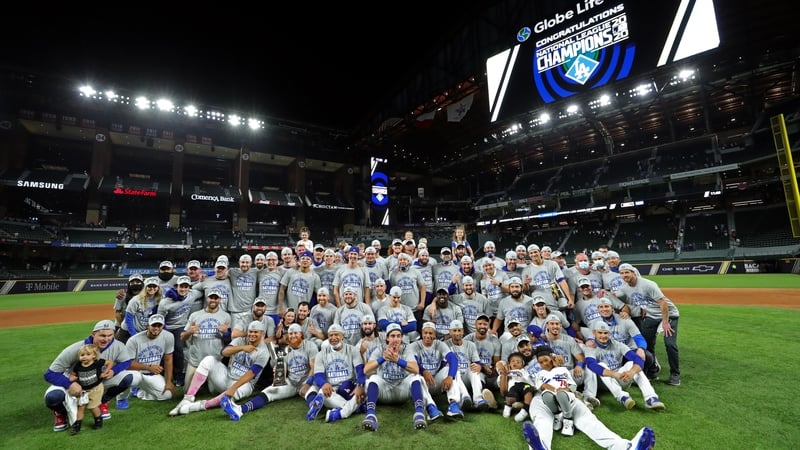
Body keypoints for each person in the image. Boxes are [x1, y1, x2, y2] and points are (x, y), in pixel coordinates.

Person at [45, 320, 133, 431]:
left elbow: (126, 361)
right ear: (93, 334)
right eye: (102, 335)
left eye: (110, 335)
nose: (106, 339)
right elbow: (49, 374)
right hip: (74, 382)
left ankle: (102, 402)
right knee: (53, 397)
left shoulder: (118, 346)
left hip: (97, 383)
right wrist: (69, 384)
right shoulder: (76, 349)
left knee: (128, 377)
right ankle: (61, 413)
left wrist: (113, 371)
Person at [219, 323, 318, 421]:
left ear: (301, 334)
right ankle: (240, 410)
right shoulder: (285, 349)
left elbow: (314, 367)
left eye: (295, 333)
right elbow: (281, 368)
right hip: (292, 382)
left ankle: (313, 408)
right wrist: (279, 373)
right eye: (290, 333)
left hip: (307, 380)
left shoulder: (310, 345)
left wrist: (307, 384)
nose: (292, 336)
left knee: (312, 391)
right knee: (269, 391)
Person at [169, 320, 270, 416]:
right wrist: (242, 347)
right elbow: (224, 352)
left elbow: (251, 374)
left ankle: (196, 406)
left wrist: (233, 388)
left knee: (235, 392)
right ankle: (188, 398)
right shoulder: (241, 340)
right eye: (250, 331)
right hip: (226, 376)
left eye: (255, 332)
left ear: (262, 334)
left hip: (244, 384)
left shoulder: (264, 352)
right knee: (209, 360)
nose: (252, 334)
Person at [614, 263, 681, 386]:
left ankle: (675, 374)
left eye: (627, 272)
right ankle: (652, 371)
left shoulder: (648, 284)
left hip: (669, 314)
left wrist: (665, 322)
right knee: (647, 344)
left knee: (670, 344)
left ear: (634, 273)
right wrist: (605, 292)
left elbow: (663, 303)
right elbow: (617, 297)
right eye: (622, 273)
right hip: (651, 316)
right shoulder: (625, 288)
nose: (624, 275)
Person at [584, 321, 665, 411]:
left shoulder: (618, 344)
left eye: (605, 333)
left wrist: (631, 372)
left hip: (621, 378)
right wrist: (614, 374)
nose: (603, 336)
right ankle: (622, 397)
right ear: (594, 333)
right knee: (600, 365)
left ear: (609, 333)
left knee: (631, 364)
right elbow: (592, 365)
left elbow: (638, 359)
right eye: (600, 333)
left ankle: (651, 398)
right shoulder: (591, 348)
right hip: (603, 383)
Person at [360, 323, 428, 431]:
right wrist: (382, 358)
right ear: (387, 338)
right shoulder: (380, 349)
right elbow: (366, 369)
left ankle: (419, 413)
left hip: (402, 390)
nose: (395, 339)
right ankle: (371, 415)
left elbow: (416, 369)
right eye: (392, 336)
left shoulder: (406, 349)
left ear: (402, 337)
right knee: (373, 379)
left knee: (416, 377)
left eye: (398, 336)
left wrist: (397, 360)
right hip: (385, 391)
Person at [303, 324, 366, 422]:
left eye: (336, 335)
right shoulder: (321, 354)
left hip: (348, 386)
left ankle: (341, 412)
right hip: (331, 388)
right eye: (330, 335)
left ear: (342, 336)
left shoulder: (352, 350)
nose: (333, 338)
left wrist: (360, 385)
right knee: (321, 392)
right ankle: (352, 409)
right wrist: (324, 383)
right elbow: (318, 376)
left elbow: (360, 370)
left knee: (363, 391)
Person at [409, 321, 465, 420]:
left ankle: (453, 405)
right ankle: (431, 408)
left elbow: (453, 359)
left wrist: (450, 377)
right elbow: (414, 364)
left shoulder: (439, 344)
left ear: (435, 335)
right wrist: (424, 371)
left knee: (453, 370)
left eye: (430, 333)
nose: (427, 335)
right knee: (415, 375)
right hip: (423, 383)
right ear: (422, 333)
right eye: (425, 333)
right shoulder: (414, 346)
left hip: (436, 381)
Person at [119, 314, 175, 404]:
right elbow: (127, 364)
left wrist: (168, 381)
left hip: (152, 374)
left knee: (168, 395)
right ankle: (123, 397)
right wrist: (148, 367)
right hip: (136, 372)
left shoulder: (168, 337)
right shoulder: (134, 340)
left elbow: (168, 360)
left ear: (163, 326)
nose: (156, 328)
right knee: (130, 377)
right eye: (154, 325)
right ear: (148, 326)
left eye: (159, 325)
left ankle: (140, 392)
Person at [181, 288, 232, 387]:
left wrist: (226, 333)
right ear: (206, 299)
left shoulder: (226, 316)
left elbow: (229, 342)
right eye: (211, 297)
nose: (213, 300)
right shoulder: (195, 315)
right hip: (196, 360)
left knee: (215, 390)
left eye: (216, 298)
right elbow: (182, 337)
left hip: (215, 360)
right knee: (187, 390)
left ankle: (208, 382)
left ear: (220, 300)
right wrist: (189, 332)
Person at [157, 275, 199, 387]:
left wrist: (208, 276)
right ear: (176, 287)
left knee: (179, 349)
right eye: (181, 286)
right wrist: (164, 332)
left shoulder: (192, 294)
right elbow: (159, 318)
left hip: (180, 327)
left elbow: (202, 287)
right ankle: (159, 374)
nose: (183, 289)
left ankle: (178, 375)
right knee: (162, 350)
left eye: (186, 287)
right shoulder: (165, 302)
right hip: (166, 327)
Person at [533, 345, 578, 436]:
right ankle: (557, 415)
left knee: (561, 394)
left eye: (546, 360)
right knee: (546, 395)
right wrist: (554, 389)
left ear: (551, 358)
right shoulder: (540, 374)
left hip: (565, 393)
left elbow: (573, 384)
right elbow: (542, 386)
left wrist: (568, 389)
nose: (544, 364)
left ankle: (568, 420)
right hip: (551, 392)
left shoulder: (562, 369)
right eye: (541, 362)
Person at [67, 344, 111, 434]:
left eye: (87, 354)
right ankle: (77, 426)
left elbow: (110, 362)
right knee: (81, 407)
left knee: (92, 407)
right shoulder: (78, 365)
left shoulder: (97, 363)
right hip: (83, 391)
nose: (84, 357)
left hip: (96, 388)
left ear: (94, 355)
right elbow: (73, 374)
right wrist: (72, 377)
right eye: (82, 355)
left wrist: (105, 372)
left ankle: (98, 420)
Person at [447, 319, 491, 411]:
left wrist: (478, 366)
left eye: (459, 330)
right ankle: (465, 397)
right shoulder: (445, 345)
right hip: (454, 380)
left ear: (463, 331)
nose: (457, 333)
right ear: (450, 332)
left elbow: (477, 362)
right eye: (454, 330)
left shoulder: (470, 345)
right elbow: (444, 364)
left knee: (473, 369)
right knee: (454, 370)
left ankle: (477, 399)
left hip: (466, 377)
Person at [117, 276, 162, 343]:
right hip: (128, 331)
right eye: (149, 286)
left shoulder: (159, 300)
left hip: (143, 331)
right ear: (145, 287)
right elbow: (128, 319)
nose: (152, 288)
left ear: (158, 288)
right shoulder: (136, 300)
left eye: (154, 286)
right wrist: (134, 335)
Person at [496, 350, 534, 422]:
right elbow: (502, 389)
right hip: (512, 390)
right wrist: (505, 375)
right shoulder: (506, 372)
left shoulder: (524, 372)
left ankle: (524, 411)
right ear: (509, 363)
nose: (515, 363)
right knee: (512, 393)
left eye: (518, 362)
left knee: (528, 391)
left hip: (524, 388)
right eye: (513, 361)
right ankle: (507, 407)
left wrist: (532, 387)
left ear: (522, 364)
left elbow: (530, 382)